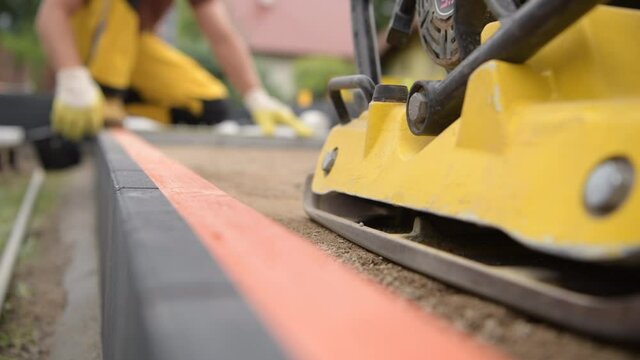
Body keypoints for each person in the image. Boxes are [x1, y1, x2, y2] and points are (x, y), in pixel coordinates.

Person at [36, 0, 313, 140]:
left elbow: (223, 37)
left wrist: (256, 96)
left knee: (208, 106)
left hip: (132, 49)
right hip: (82, 51)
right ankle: (106, 99)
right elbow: (51, 14)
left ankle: (123, 110)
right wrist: (72, 76)